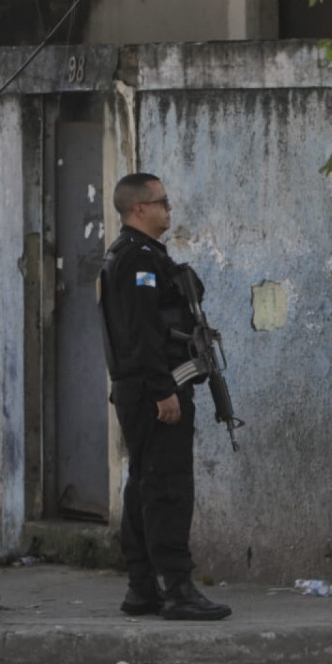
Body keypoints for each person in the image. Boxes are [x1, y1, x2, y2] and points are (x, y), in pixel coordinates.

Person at [98, 172, 230, 621]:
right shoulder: (137, 260)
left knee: (145, 485)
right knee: (168, 489)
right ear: (140, 209)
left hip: (145, 388)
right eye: (163, 203)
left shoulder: (144, 255)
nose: (169, 210)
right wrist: (164, 389)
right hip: (153, 390)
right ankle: (176, 587)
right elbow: (141, 334)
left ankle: (142, 586)